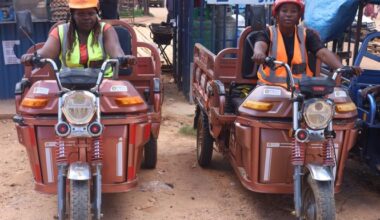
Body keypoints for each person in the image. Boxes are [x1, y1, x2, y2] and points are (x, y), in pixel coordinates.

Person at [252, 0, 361, 87]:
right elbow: (260, 44)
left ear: (299, 16)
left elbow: (322, 53)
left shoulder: (307, 34)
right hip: (269, 87)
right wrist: (259, 53)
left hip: (301, 89)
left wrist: (343, 68)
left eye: (293, 11)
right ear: (276, 14)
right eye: (284, 11)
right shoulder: (267, 33)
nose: (289, 15)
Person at [21, 0, 134, 77]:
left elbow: (116, 50)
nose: (86, 17)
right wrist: (34, 57)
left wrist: (123, 59)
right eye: (81, 14)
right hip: (68, 85)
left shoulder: (106, 30)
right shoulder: (60, 31)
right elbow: (46, 52)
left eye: (91, 13)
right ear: (72, 15)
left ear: (97, 13)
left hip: (103, 83)